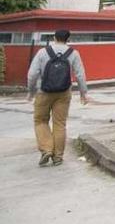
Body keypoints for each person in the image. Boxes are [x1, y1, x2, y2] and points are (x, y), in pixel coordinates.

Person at [26, 29, 89, 167]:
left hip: (43, 92)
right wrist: (83, 93)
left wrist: (31, 91)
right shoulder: (73, 53)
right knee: (60, 123)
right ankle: (58, 157)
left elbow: (32, 74)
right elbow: (80, 74)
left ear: (54, 37)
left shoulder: (43, 52)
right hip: (64, 92)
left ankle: (46, 149)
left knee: (40, 120)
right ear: (68, 39)